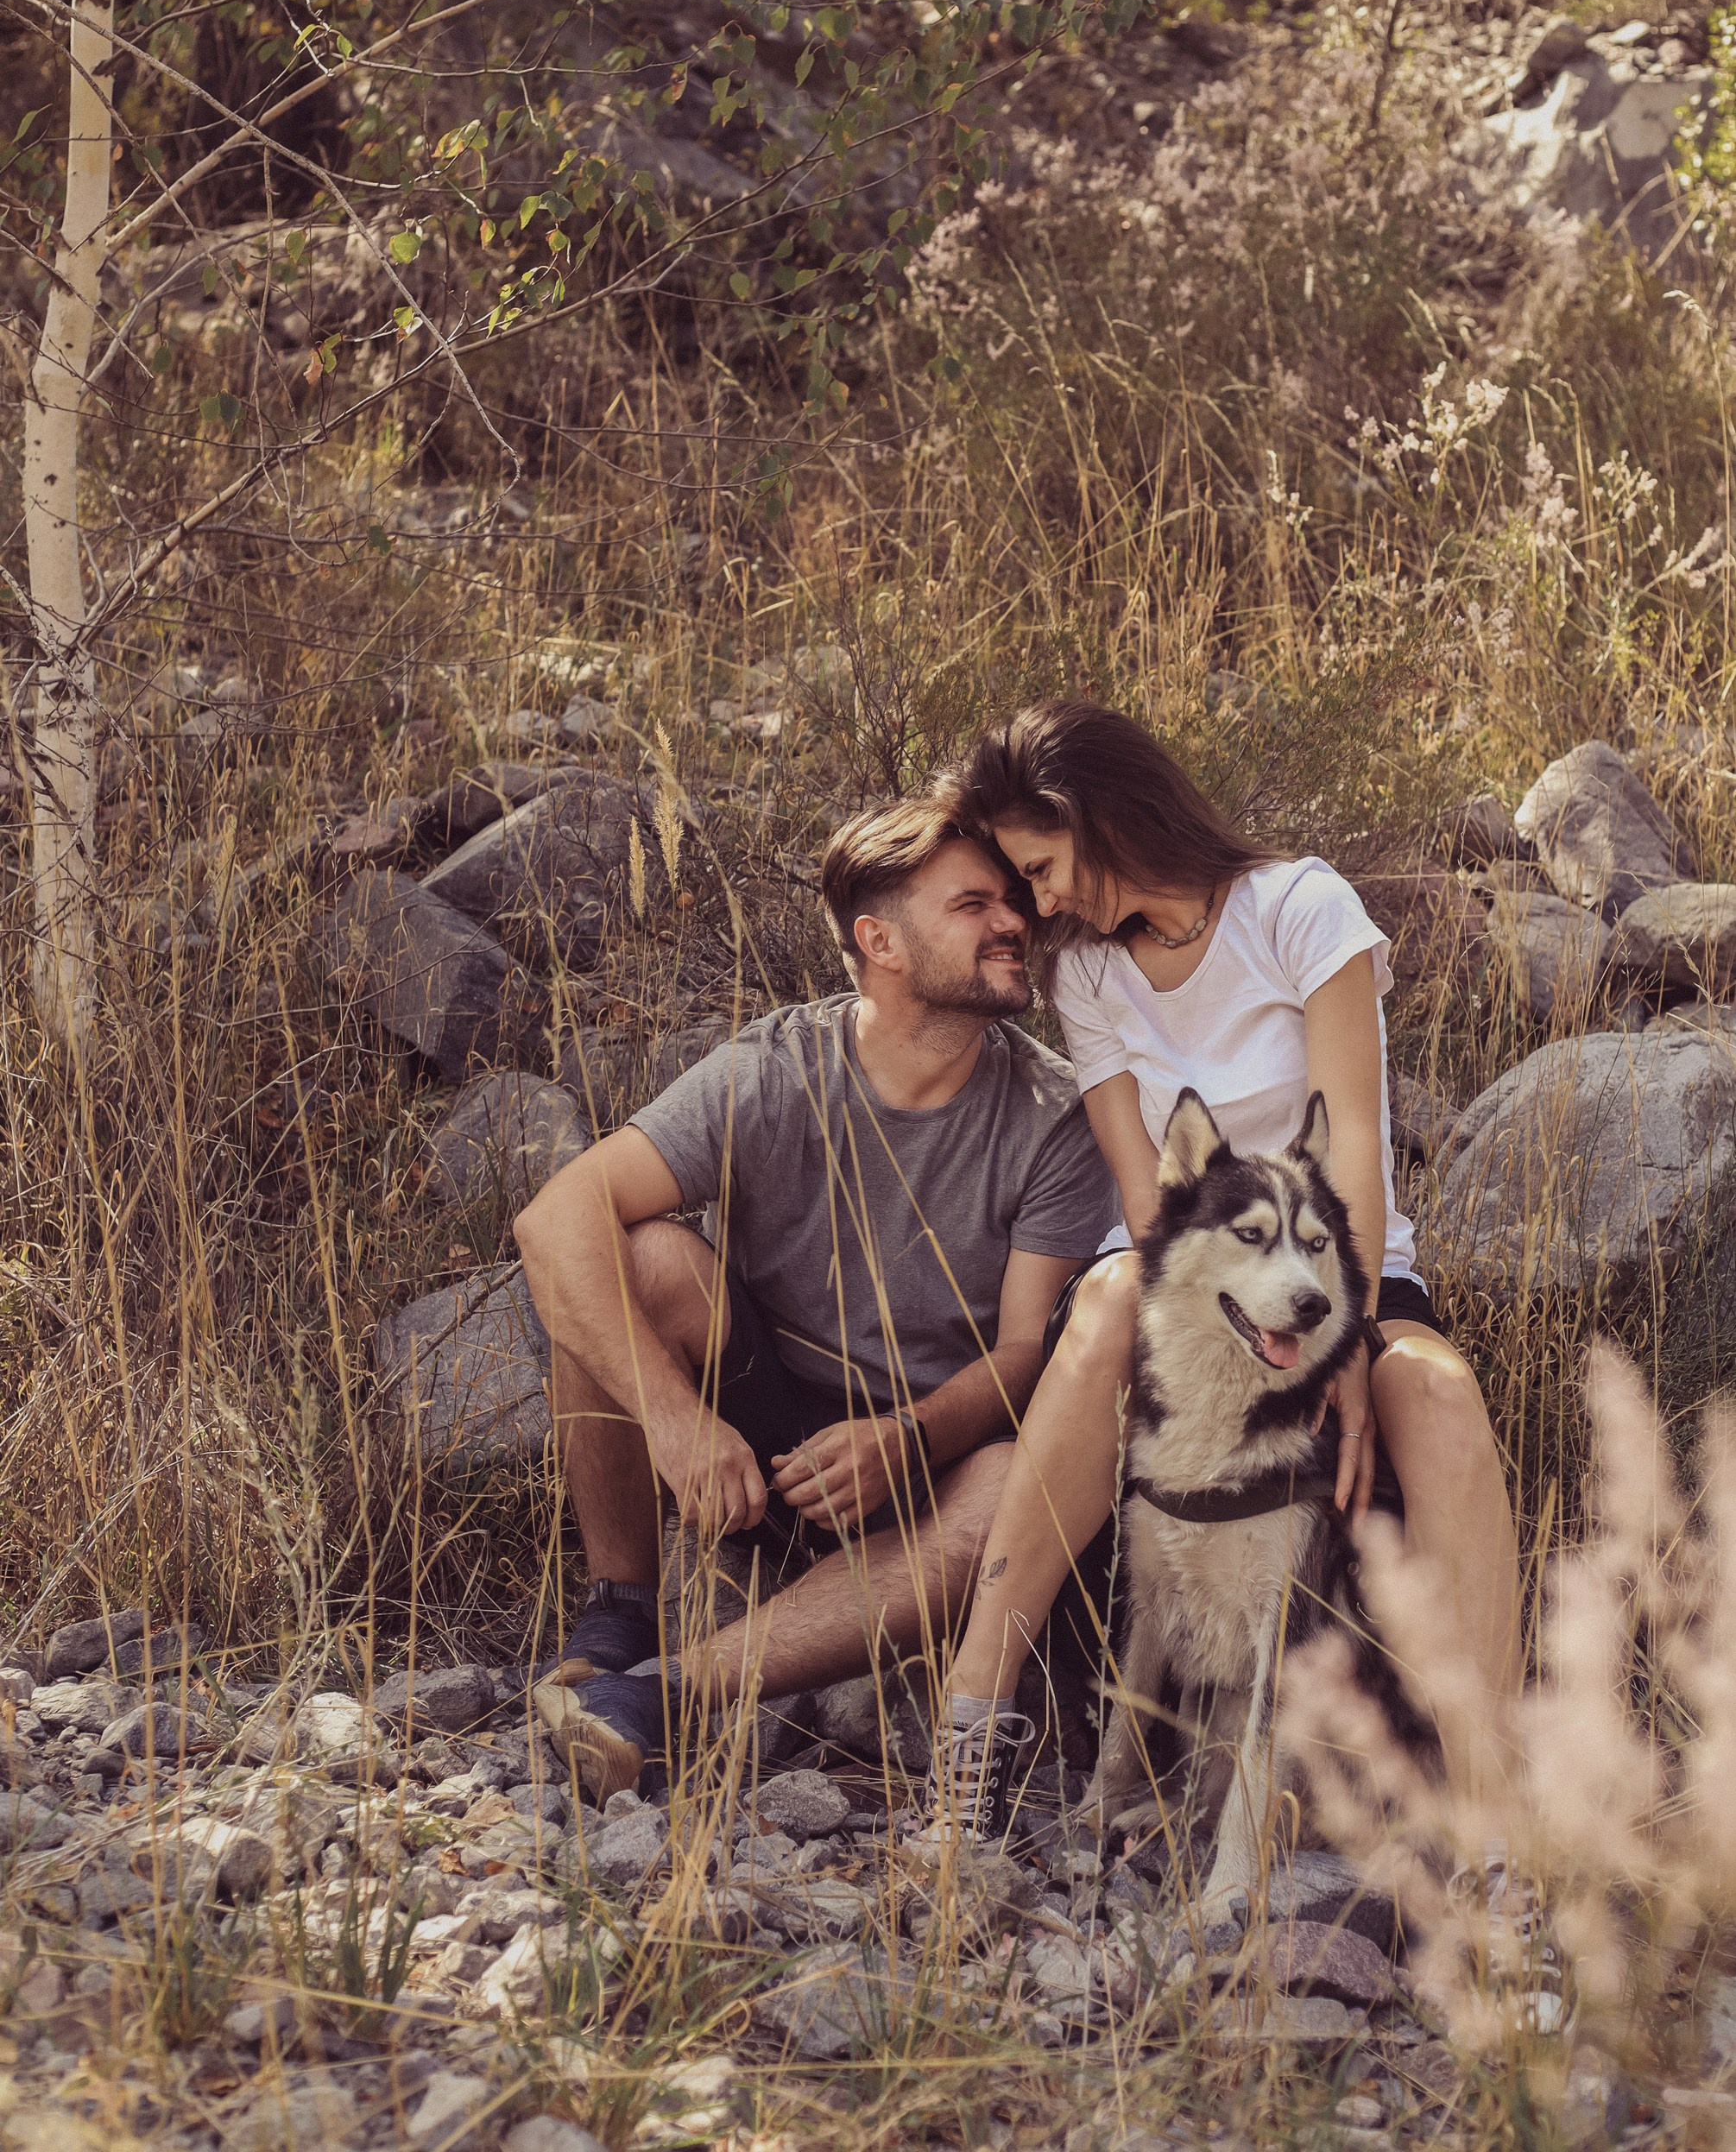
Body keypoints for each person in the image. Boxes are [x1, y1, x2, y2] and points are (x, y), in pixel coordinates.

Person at [916, 698, 1522, 1854]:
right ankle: (970, 1742)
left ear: (1093, 811)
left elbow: (1351, 1138)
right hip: (1188, 1279)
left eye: (1041, 869)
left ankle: (1495, 1822)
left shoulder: (1299, 909)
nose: (1039, 905)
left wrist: (1336, 1343)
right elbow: (1143, 1197)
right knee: (1100, 1306)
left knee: (1434, 1395)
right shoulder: (1088, 976)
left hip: (1338, 1263)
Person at [512, 797, 1120, 1801]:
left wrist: (908, 1438)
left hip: (926, 1469)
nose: (1015, 921)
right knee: (635, 1260)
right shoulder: (776, 1070)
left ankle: (661, 1696)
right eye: (974, 904)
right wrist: (674, 1423)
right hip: (760, 1445)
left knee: (1023, 1474)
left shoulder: (1054, 1117)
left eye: (1014, 899)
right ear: (879, 941)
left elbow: (1025, 1357)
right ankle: (617, 1608)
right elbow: (553, 1218)